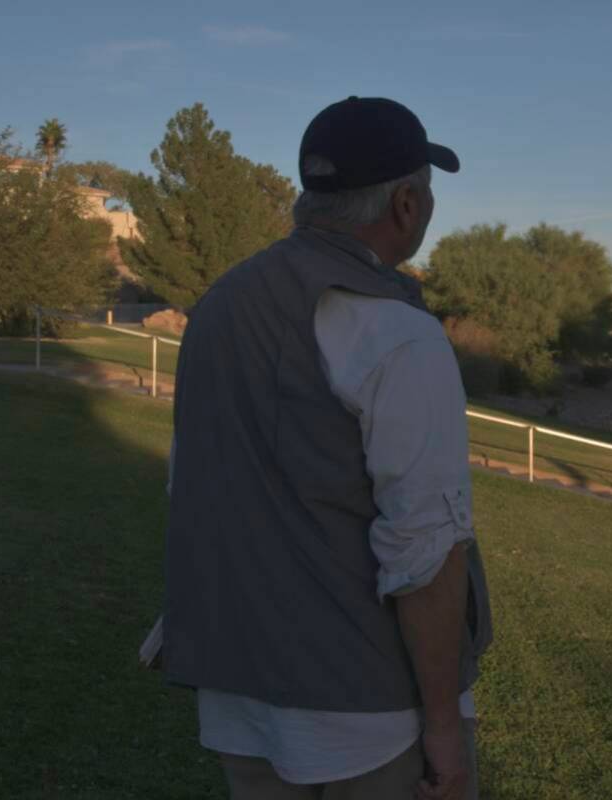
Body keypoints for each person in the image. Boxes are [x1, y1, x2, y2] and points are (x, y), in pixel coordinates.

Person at [162, 97, 493, 800]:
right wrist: (441, 724)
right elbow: (426, 549)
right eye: (425, 189)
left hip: (238, 685)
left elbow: (194, 483)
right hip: (367, 710)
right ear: (406, 203)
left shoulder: (220, 305)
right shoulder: (396, 333)